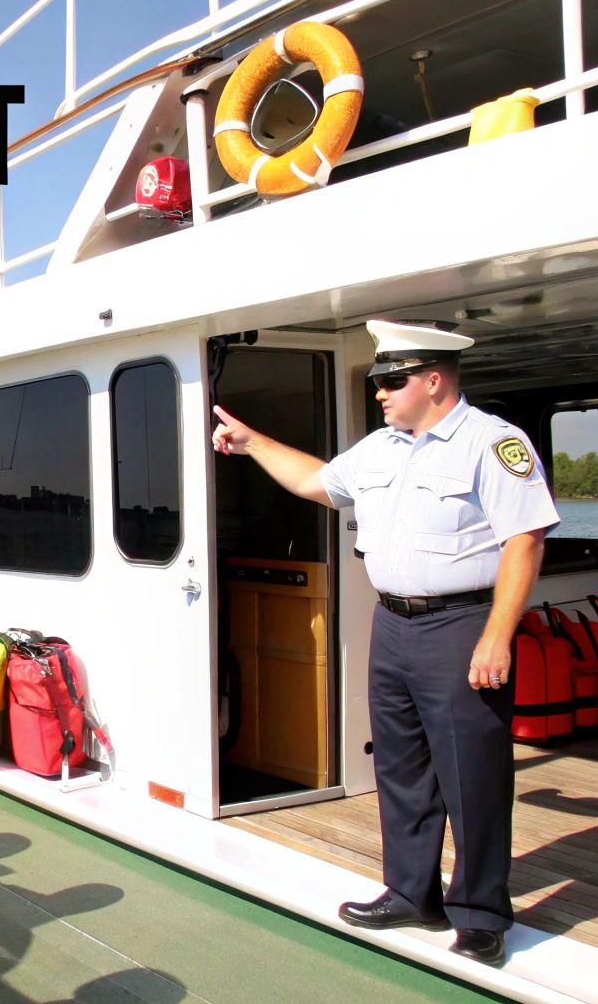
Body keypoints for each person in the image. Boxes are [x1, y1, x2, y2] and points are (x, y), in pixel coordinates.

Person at [210, 319, 558, 966]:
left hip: (462, 626)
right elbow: (318, 482)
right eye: (379, 382)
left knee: (473, 775)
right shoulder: (380, 448)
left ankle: (481, 914)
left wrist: (497, 636)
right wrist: (252, 442)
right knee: (401, 767)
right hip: (393, 624)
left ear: (435, 380)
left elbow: (525, 540)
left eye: (392, 382)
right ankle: (411, 893)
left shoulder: (492, 443)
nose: (380, 393)